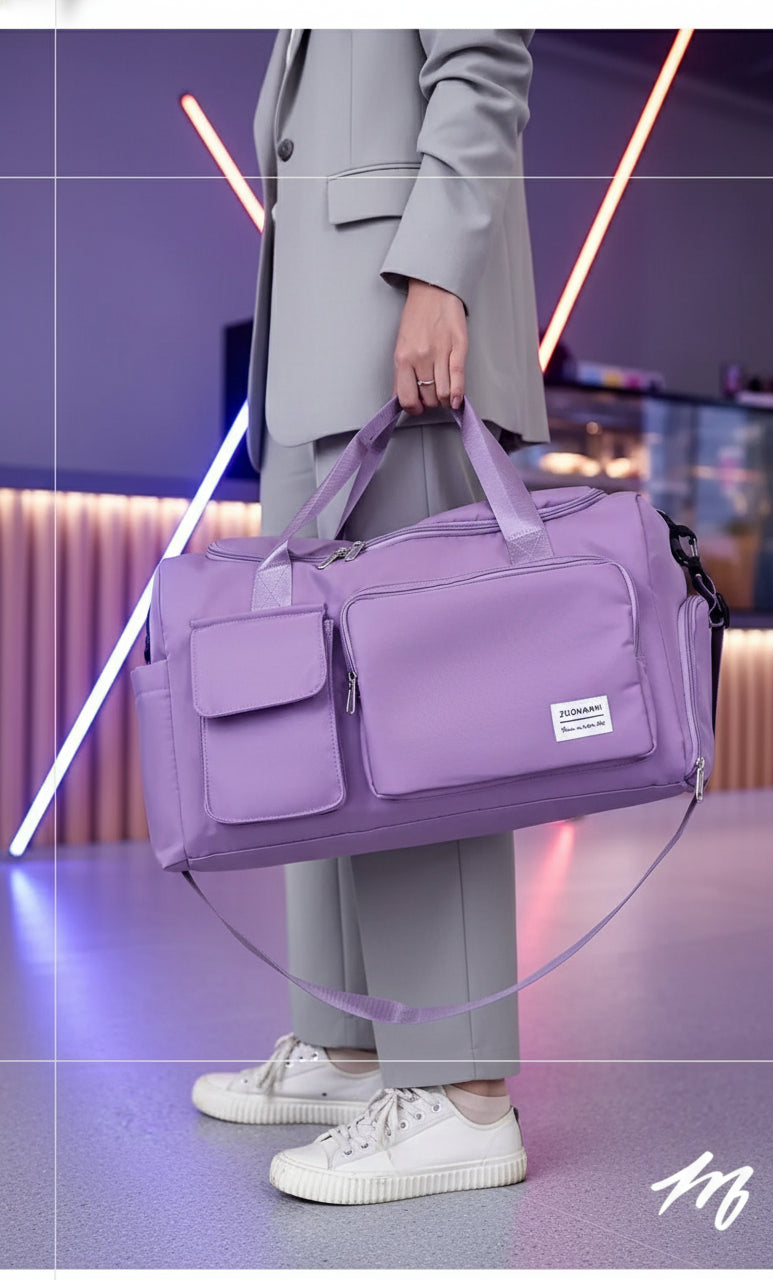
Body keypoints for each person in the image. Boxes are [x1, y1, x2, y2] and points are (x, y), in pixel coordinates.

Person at [192, 28, 550, 1205]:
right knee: (312, 717)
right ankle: (351, 1047)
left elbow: (483, 60)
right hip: (313, 363)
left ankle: (459, 1094)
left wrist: (439, 278)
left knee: (421, 706)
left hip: (403, 335)